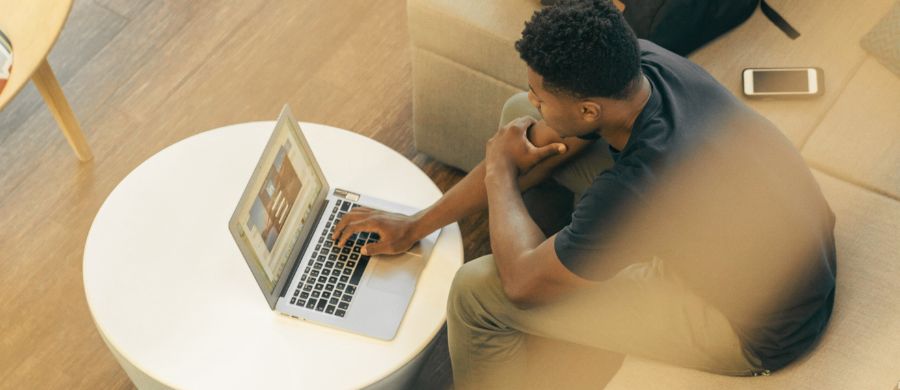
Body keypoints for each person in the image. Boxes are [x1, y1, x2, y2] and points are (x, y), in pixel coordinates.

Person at [333, 0, 836, 387]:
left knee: (475, 292)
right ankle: (552, 245)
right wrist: (416, 224)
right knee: (517, 121)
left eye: (542, 95)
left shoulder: (640, 184)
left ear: (591, 112)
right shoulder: (640, 63)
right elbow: (535, 136)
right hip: (786, 249)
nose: (534, 98)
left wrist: (499, 176)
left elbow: (521, 284)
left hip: (751, 329)